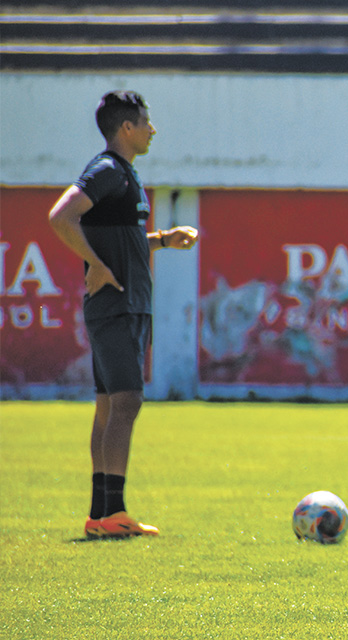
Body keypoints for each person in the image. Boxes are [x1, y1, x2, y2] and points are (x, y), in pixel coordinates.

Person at [47, 90, 199, 539]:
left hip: (125, 304)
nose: (153, 129)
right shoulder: (107, 170)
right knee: (127, 401)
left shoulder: (123, 174)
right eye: (146, 122)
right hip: (117, 304)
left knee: (109, 406)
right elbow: (60, 217)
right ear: (126, 128)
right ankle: (112, 511)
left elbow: (116, 237)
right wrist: (94, 264)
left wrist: (162, 240)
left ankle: (103, 513)